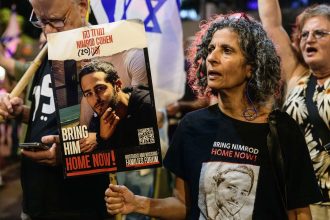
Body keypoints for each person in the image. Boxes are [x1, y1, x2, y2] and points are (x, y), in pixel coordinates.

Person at [104, 13, 322, 219]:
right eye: (210, 49)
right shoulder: (191, 126)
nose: (212, 58)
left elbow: (299, 213)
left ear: (251, 67)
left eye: (226, 50)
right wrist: (137, 203)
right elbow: (183, 205)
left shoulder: (282, 130)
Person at [0, 0, 111, 219]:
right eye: (41, 21)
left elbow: (123, 135)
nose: (49, 31)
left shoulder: (106, 53)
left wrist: (70, 153)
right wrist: (20, 111)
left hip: (78, 205)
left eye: (56, 21)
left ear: (81, 6)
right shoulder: (48, 50)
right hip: (34, 200)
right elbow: (48, 114)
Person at [258, 1, 330, 219]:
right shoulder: (296, 75)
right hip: (299, 204)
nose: (309, 39)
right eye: (305, 34)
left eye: (320, 33)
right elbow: (271, 22)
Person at [79, 60, 156, 149]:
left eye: (100, 88)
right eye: (89, 94)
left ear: (118, 85)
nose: (96, 99)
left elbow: (147, 154)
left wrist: (101, 140)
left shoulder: (146, 106)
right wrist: (101, 138)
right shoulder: (101, 115)